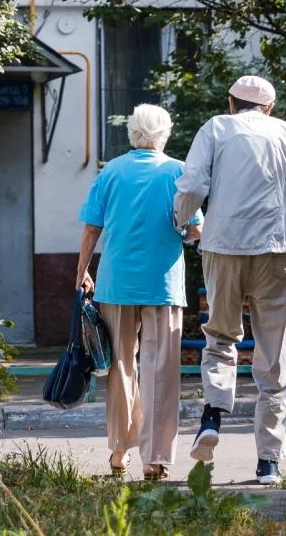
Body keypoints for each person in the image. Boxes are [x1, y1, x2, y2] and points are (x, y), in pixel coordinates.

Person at [173, 75, 286, 485]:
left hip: (223, 246)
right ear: (270, 107)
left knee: (221, 338)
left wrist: (182, 222)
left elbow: (192, 186)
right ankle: (269, 462)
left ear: (230, 103)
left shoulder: (215, 128)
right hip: (275, 249)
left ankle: (212, 415)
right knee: (273, 350)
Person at [76, 103, 202, 480]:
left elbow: (91, 229)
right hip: (163, 284)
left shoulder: (111, 171)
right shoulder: (179, 172)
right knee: (161, 369)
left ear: (132, 132)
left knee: (120, 366)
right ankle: (155, 458)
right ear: (165, 133)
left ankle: (119, 451)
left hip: (116, 283)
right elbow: (196, 228)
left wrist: (81, 272)